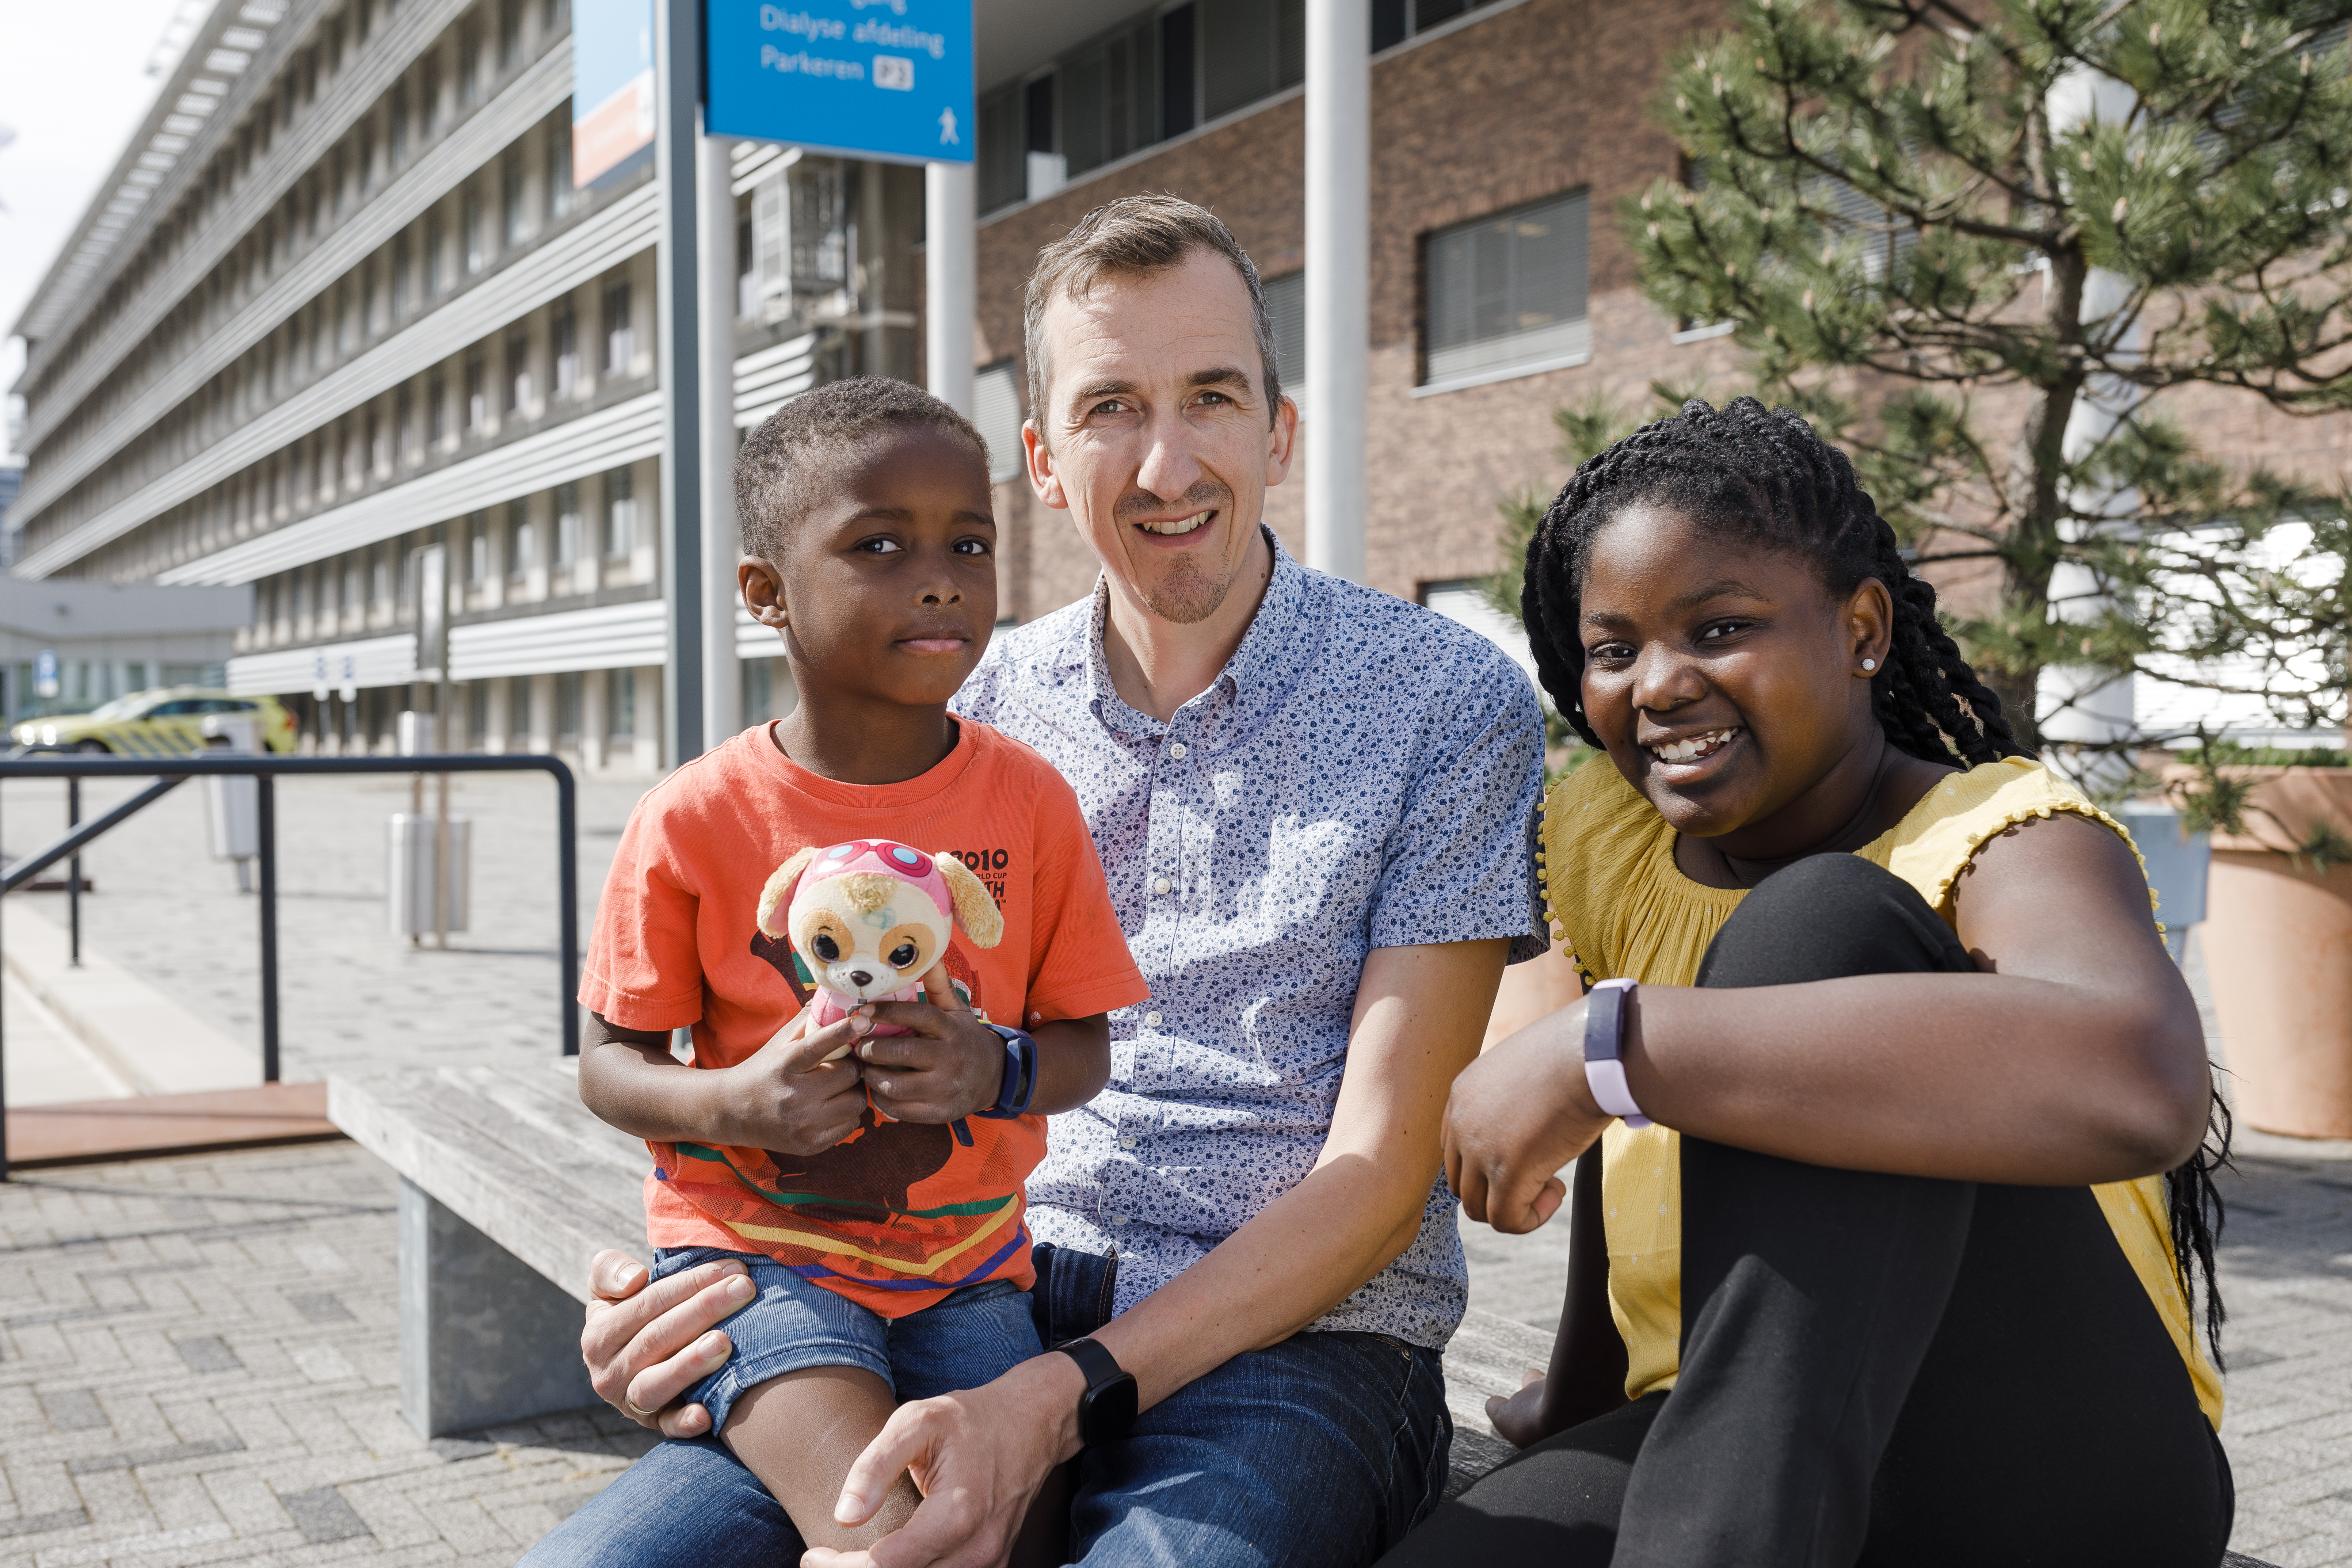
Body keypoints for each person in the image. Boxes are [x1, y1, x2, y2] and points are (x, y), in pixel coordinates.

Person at [568, 194, 1550, 1567]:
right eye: (1110, 409)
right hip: (960, 1284)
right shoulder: (965, 700)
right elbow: (787, 1032)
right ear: (1039, 457)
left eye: (1212, 396)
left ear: (1279, 428)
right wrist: (679, 1298)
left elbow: (1383, 1174)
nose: (1166, 464)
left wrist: (1058, 1394)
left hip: (1299, 1343)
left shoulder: (1444, 699)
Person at [1380, 397, 2232, 1567]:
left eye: (1721, 628)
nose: (1660, 685)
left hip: (2041, 1469)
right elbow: (1637, 1164)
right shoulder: (1611, 835)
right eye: (1614, 650)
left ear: (1864, 630)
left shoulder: (2001, 835)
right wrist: (1580, 1403)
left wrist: (1610, 1047)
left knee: (1815, 931)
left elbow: (2145, 1084)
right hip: (1750, 1442)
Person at [528, 378, 1150, 1561]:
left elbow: (1082, 1048)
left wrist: (992, 1069)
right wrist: (737, 1103)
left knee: (1015, 1537)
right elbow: (609, 1067)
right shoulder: (694, 817)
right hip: (757, 1270)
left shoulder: (1029, 801)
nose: (940, 576)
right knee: (888, 1533)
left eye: (969, 542)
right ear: (764, 591)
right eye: (879, 543)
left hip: (976, 1274)